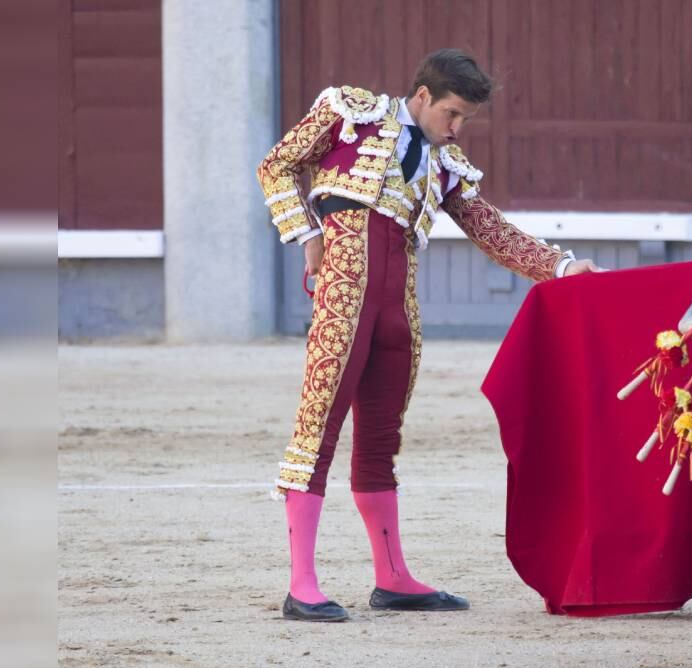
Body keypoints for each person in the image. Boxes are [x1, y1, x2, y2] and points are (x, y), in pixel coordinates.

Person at [257, 49, 602, 622]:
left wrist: (562, 268)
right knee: (316, 430)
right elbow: (277, 164)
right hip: (345, 297)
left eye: (465, 118)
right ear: (422, 97)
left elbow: (490, 228)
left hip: (399, 314)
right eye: (453, 114)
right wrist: (306, 234)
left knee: (379, 441)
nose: (457, 128)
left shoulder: (446, 165)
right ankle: (302, 584)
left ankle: (392, 577)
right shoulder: (350, 113)